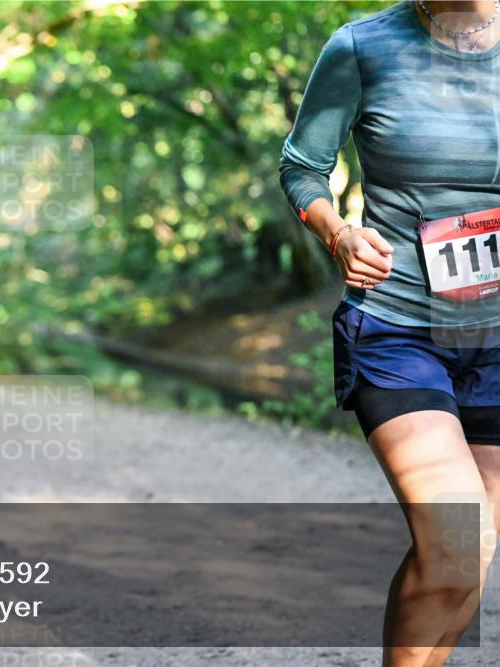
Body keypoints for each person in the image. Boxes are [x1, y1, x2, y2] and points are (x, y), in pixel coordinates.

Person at [279, 2, 499, 665]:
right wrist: (338, 232)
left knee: (473, 553)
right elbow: (301, 168)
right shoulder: (362, 46)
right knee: (456, 540)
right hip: (398, 327)